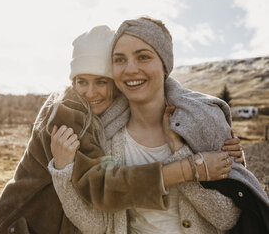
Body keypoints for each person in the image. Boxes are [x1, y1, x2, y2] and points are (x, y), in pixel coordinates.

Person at [0, 25, 244, 234]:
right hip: (26, 223)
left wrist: (214, 148)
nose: (90, 92)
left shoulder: (145, 112)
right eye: (81, 82)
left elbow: (229, 212)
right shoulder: (69, 112)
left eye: (101, 81)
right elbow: (99, 187)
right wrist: (188, 168)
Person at [49, 18, 269, 234]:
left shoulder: (203, 121)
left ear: (165, 65)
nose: (130, 69)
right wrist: (62, 173)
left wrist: (179, 153)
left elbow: (226, 218)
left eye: (143, 57)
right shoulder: (108, 136)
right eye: (119, 59)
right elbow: (97, 226)